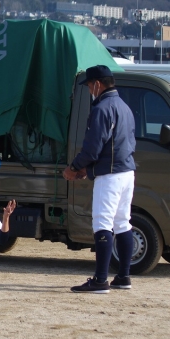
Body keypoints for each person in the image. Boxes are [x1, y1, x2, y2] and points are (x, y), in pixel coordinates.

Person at [63, 65, 136, 294]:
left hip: (110, 175)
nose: (89, 90)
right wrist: (89, 168)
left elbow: (93, 147)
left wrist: (74, 167)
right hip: (127, 172)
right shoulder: (124, 106)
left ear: (96, 84)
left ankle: (100, 280)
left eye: (89, 86)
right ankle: (123, 277)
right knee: (123, 223)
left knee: (102, 223)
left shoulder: (102, 108)